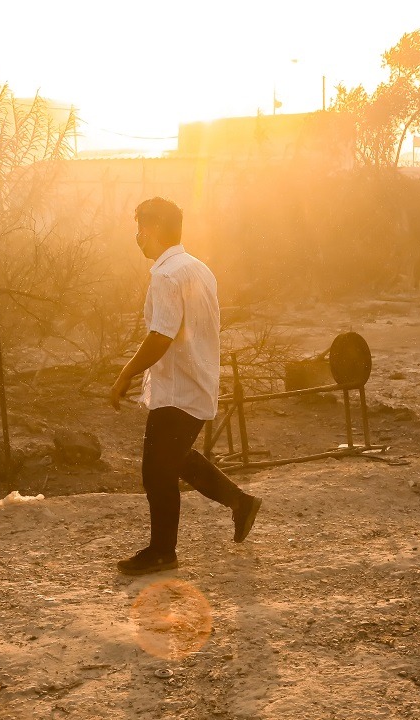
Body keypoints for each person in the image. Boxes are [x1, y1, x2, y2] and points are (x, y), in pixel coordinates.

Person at [109, 197, 262, 576]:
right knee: (174, 458)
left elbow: (161, 335)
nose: (137, 238)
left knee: (156, 471)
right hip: (198, 380)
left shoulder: (166, 275)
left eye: (139, 230)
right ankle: (240, 502)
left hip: (177, 389)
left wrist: (125, 372)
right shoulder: (198, 268)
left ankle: (163, 552)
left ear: (151, 230)